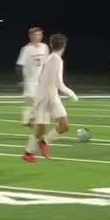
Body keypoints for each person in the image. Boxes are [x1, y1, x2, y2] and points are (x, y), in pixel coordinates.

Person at [23, 33, 78, 163]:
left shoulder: (50, 58)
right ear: (64, 46)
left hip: (49, 96)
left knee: (62, 126)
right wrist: (72, 94)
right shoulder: (56, 60)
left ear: (51, 45)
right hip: (46, 98)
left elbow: (44, 80)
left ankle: (43, 143)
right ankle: (29, 153)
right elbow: (59, 84)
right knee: (47, 129)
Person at [15, 27, 49, 126]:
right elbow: (19, 66)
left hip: (41, 80)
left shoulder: (45, 47)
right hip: (30, 81)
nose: (38, 37)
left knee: (40, 103)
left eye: (40, 35)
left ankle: (29, 120)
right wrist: (21, 80)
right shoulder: (26, 49)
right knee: (32, 102)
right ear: (30, 36)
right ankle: (28, 120)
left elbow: (46, 63)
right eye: (35, 35)